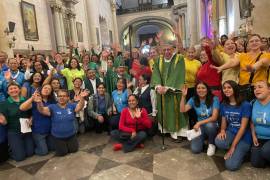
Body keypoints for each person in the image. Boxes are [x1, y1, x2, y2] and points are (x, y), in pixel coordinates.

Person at [212, 34, 270, 101]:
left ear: (260, 43)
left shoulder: (266, 55)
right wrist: (221, 67)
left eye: (257, 41)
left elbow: (262, 62)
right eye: (251, 41)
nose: (254, 43)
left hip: (258, 88)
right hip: (243, 88)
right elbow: (233, 62)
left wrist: (253, 67)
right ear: (248, 44)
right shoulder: (242, 55)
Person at [151, 43, 187, 141]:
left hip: (174, 91)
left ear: (173, 49)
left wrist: (168, 87)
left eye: (169, 49)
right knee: (164, 111)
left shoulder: (179, 59)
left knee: (175, 111)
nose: (167, 52)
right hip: (162, 92)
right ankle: (165, 131)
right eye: (165, 50)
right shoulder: (158, 60)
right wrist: (158, 86)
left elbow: (178, 73)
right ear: (162, 51)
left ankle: (178, 133)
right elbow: (156, 73)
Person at [35, 89, 89, 156]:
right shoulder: (52, 107)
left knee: (74, 150)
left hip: (71, 135)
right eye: (59, 96)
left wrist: (82, 98)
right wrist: (39, 102)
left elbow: (79, 107)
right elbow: (42, 110)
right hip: (58, 137)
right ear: (57, 97)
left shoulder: (71, 105)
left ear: (67, 98)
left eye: (64, 96)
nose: (61, 98)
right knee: (62, 153)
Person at [215, 80, 252, 171]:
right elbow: (224, 121)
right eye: (224, 88)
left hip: (244, 136)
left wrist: (232, 147)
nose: (226, 90)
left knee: (231, 166)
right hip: (231, 131)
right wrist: (223, 130)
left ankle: (241, 151)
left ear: (235, 88)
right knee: (219, 141)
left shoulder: (245, 105)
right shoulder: (224, 104)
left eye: (229, 87)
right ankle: (236, 148)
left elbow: (243, 128)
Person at [180, 82, 219, 156]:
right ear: (196, 90)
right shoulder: (193, 99)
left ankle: (211, 143)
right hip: (200, 128)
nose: (201, 90)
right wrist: (183, 96)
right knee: (195, 149)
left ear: (207, 89)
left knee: (209, 126)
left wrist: (198, 123)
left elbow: (214, 117)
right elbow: (182, 110)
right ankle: (204, 138)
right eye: (198, 88)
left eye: (203, 88)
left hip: (212, 125)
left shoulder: (214, 99)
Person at [0, 82, 34, 161]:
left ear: (19, 90)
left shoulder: (25, 100)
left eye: (15, 88)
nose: (13, 90)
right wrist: (3, 121)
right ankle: (12, 149)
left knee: (30, 153)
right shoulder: (4, 104)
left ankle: (18, 148)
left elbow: (31, 114)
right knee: (20, 158)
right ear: (8, 92)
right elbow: (4, 122)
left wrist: (31, 119)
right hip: (13, 132)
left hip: (26, 130)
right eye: (10, 89)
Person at [20, 84, 55, 155]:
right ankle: (35, 146)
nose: (46, 90)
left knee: (53, 148)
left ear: (51, 92)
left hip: (50, 130)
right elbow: (22, 108)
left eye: (49, 89)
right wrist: (32, 98)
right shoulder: (34, 101)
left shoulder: (52, 102)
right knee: (43, 152)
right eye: (45, 88)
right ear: (41, 90)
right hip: (38, 131)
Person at [250, 81, 270, 168]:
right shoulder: (253, 103)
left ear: (269, 89)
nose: (256, 89)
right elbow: (251, 122)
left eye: (260, 87)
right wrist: (254, 136)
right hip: (259, 138)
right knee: (256, 163)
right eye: (255, 88)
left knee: (265, 151)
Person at [184, 47, 201, 128]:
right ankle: (190, 125)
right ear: (186, 53)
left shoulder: (198, 63)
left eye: (192, 52)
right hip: (185, 88)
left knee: (195, 107)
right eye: (189, 52)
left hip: (195, 88)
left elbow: (200, 76)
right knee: (187, 108)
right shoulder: (182, 61)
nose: (190, 54)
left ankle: (196, 124)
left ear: (195, 53)